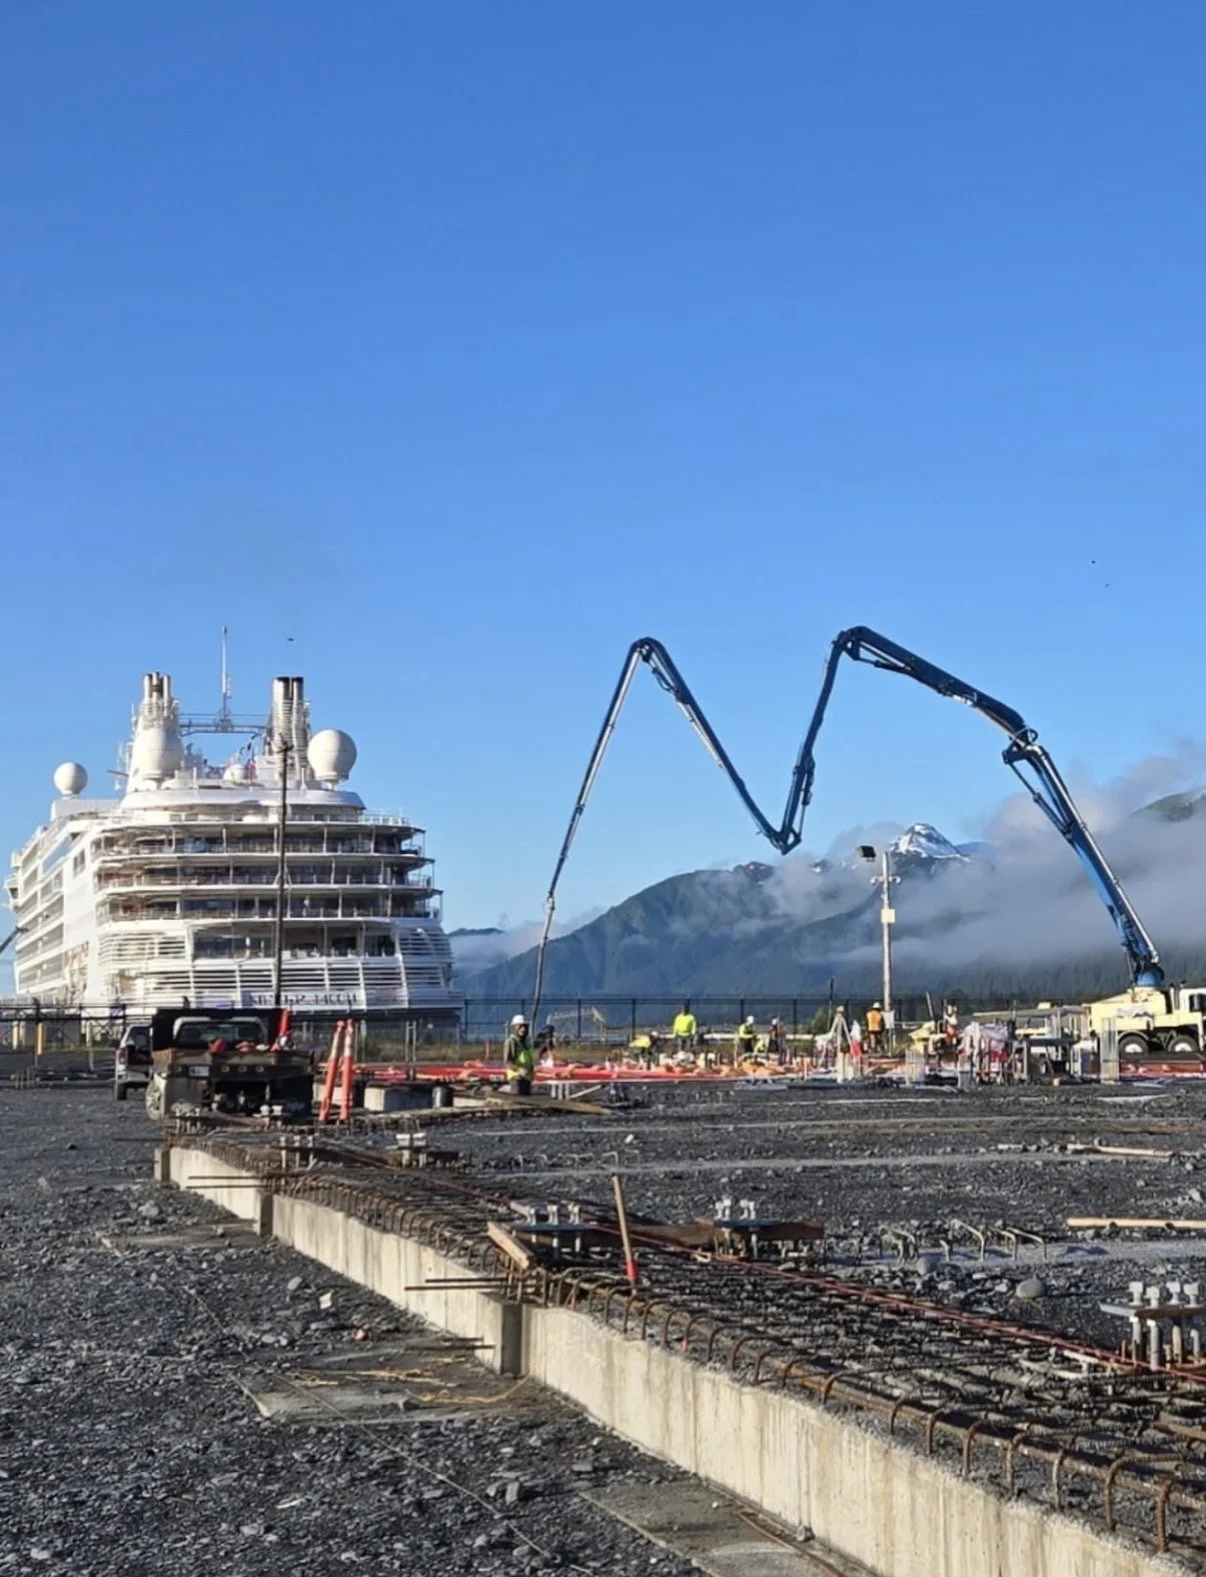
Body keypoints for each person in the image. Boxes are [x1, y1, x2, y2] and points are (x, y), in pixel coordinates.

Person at [503, 1013, 535, 1095]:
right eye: (520, 1026)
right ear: (514, 1028)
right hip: (516, 1077)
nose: (523, 1029)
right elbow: (507, 1062)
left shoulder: (527, 1043)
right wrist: (518, 1070)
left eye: (524, 1026)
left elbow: (529, 1060)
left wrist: (531, 1072)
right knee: (518, 1099)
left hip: (527, 1077)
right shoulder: (511, 1042)